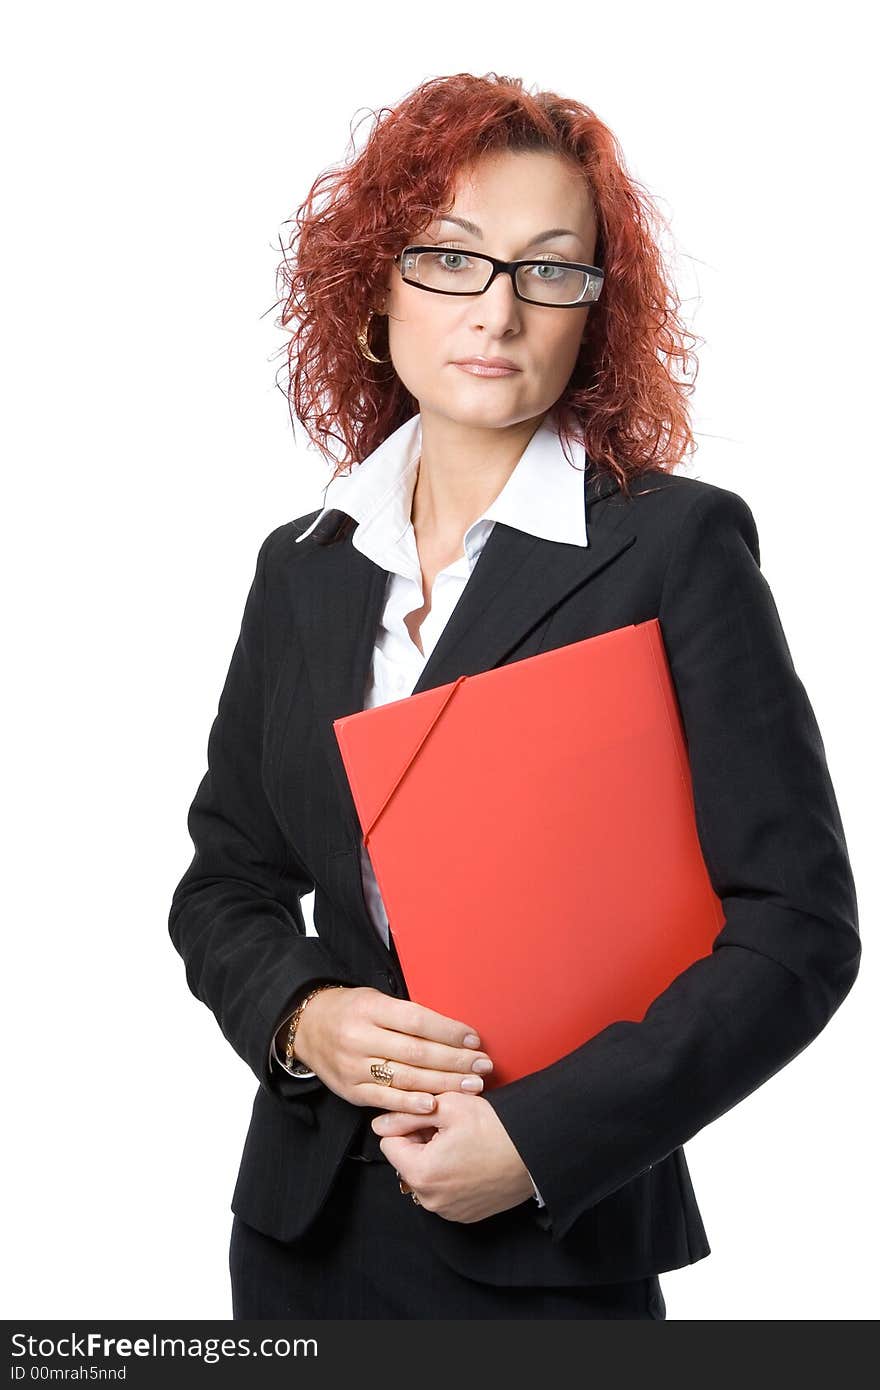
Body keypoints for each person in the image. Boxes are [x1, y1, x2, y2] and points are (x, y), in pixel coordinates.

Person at [168, 73, 860, 1320]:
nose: (497, 309)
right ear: (374, 296)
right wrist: (303, 1014)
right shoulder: (306, 563)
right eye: (450, 259)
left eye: (550, 270)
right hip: (302, 1230)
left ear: (592, 313)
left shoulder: (672, 548)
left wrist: (541, 1140)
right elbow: (227, 878)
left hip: (550, 1243)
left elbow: (795, 931)